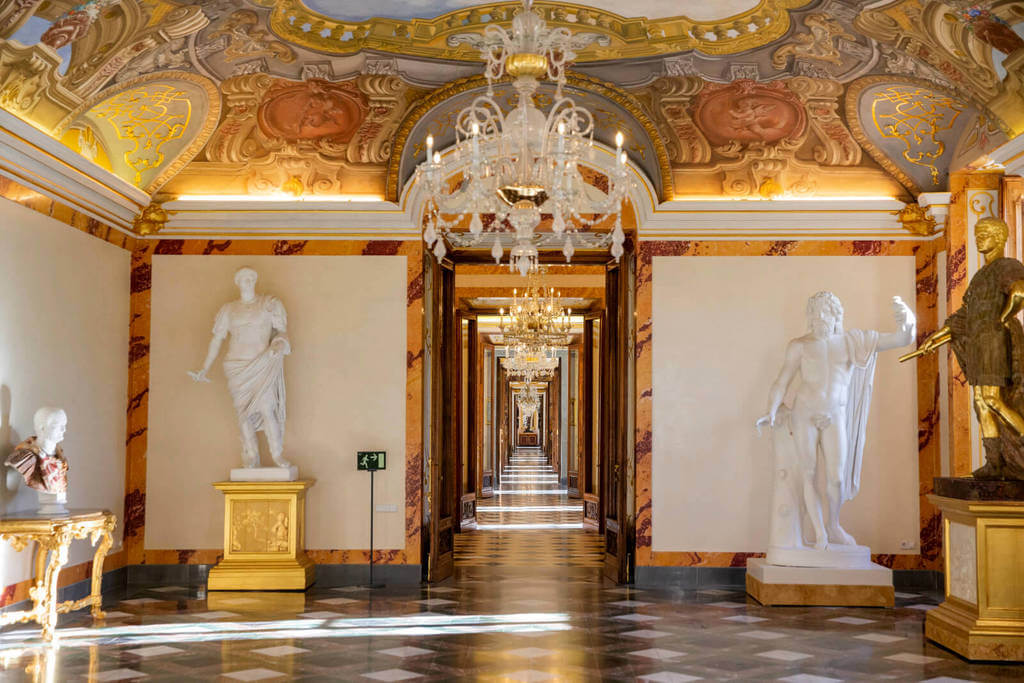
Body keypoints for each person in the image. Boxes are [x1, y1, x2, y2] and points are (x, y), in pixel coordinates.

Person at [757, 292, 915, 551]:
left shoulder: (852, 342)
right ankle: (819, 533)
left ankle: (833, 525)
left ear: (836, 315)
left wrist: (907, 321)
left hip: (835, 415)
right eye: (815, 312)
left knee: (836, 478)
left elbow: (901, 339)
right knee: (808, 474)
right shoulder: (799, 345)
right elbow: (782, 380)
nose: (820, 317)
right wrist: (771, 410)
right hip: (804, 413)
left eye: (825, 312)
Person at [910, 216, 1024, 479]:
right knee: (981, 402)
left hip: (994, 342)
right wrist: (934, 338)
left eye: (985, 233)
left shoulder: (1007, 265)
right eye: (977, 233)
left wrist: (1004, 318)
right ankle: (993, 463)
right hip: (980, 344)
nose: (978, 238)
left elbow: (1019, 291)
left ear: (1000, 237)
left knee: (993, 399)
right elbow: (964, 316)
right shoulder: (980, 275)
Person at [190, 267, 292, 469]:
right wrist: (205, 368)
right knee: (243, 413)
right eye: (244, 279)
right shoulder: (228, 310)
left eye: (251, 278)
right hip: (236, 366)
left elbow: (282, 332)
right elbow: (217, 340)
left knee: (267, 408)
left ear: (255, 281)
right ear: (237, 282)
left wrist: (279, 343)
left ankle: (277, 455)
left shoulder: (269, 304)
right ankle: (252, 455)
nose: (248, 282)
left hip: (262, 363)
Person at [6, 407, 69, 501]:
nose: (63, 429)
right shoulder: (25, 457)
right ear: (42, 428)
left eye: (64, 425)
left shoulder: (59, 457)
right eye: (57, 425)